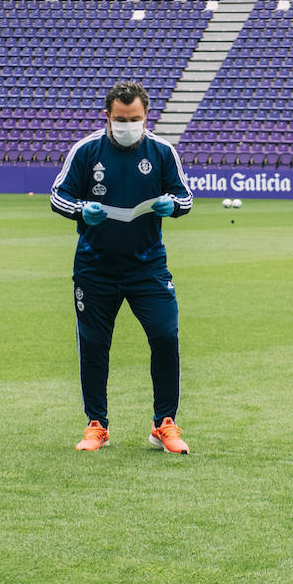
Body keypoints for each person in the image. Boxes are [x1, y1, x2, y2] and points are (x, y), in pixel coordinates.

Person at [50, 80, 194, 454]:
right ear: (107, 117)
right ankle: (97, 424)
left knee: (165, 336)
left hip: (148, 266)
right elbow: (58, 195)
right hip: (95, 267)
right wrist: (83, 209)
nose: (128, 125)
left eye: (135, 119)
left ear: (147, 117)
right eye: (120, 119)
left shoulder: (162, 151)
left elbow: (186, 197)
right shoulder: (86, 151)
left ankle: (164, 423)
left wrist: (171, 205)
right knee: (94, 345)